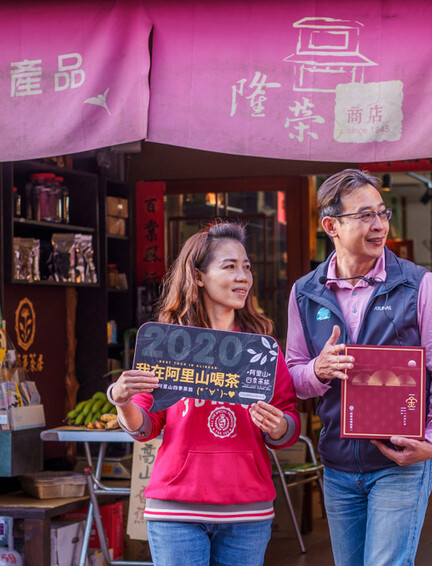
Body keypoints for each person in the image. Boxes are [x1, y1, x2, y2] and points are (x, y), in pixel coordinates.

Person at [286, 169, 432, 566]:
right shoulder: (305, 292)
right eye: (365, 215)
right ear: (330, 225)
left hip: (399, 462)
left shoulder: (417, 284)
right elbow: (293, 375)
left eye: (382, 213)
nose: (380, 225)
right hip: (336, 466)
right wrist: (317, 370)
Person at [109, 222, 301, 566]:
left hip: (247, 511)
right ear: (198, 276)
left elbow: (288, 423)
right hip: (175, 510)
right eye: (229, 267)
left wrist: (278, 426)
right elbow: (145, 425)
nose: (243, 276)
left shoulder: (262, 351)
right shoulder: (167, 346)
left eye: (246, 267)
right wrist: (121, 400)